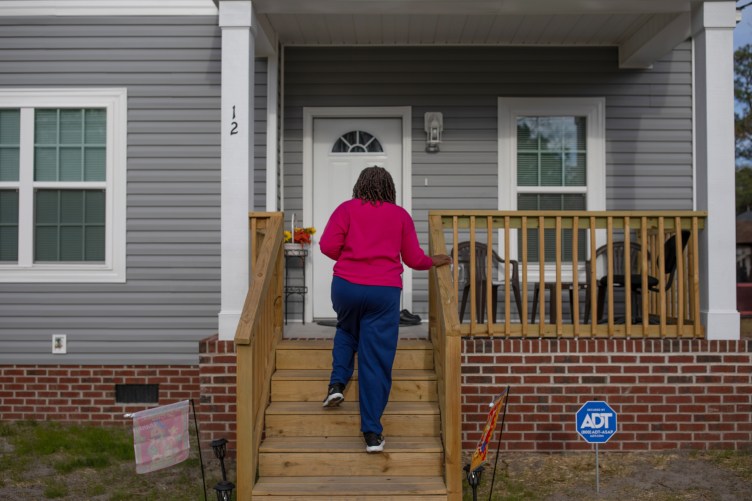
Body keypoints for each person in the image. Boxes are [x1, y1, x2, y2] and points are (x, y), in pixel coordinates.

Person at [318, 166, 451, 453]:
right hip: (383, 292)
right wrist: (436, 260)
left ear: (359, 185)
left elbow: (328, 246)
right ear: (389, 188)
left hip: (346, 287)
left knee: (346, 329)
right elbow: (414, 259)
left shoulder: (347, 209)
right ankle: (372, 434)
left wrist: (352, 257)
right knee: (374, 360)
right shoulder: (399, 215)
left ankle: (337, 384)